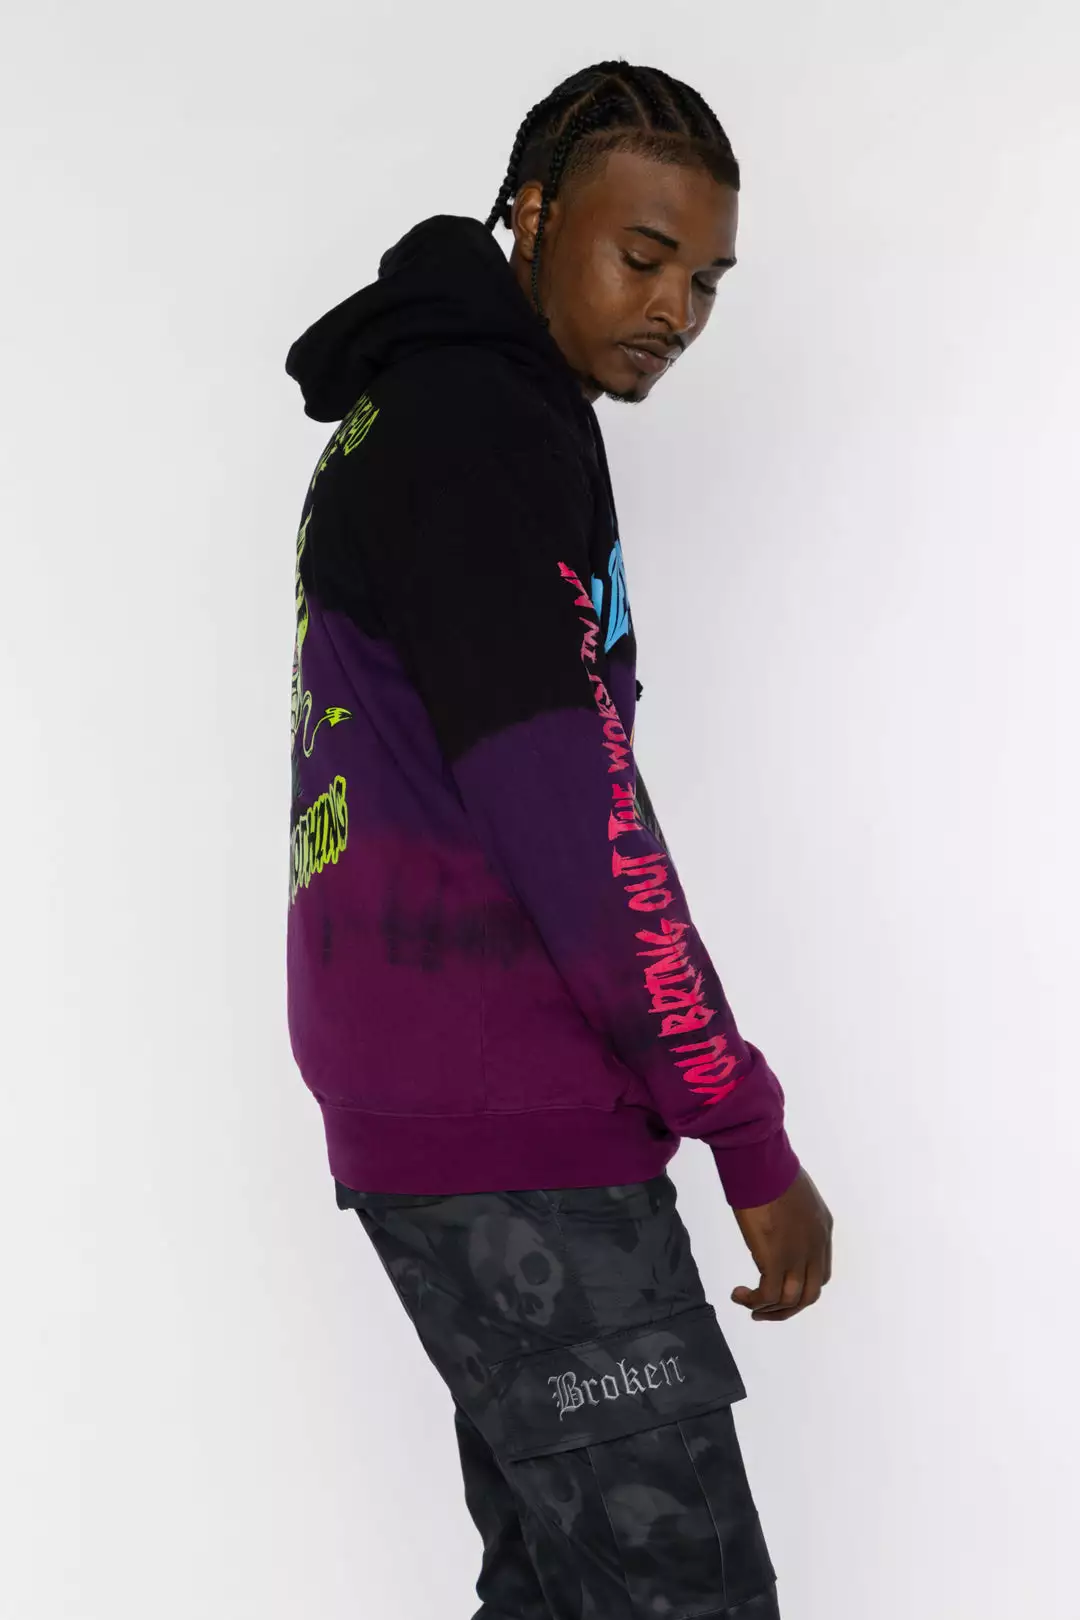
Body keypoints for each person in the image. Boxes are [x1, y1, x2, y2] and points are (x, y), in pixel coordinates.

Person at [284, 57, 833, 1620]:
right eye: (641, 255)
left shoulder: (451, 407)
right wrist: (744, 1126)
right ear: (530, 213)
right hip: (507, 1114)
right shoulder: (476, 428)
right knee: (683, 1598)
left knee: (557, 1591)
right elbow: (579, 827)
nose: (673, 309)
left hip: (445, 1097)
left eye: (705, 280)